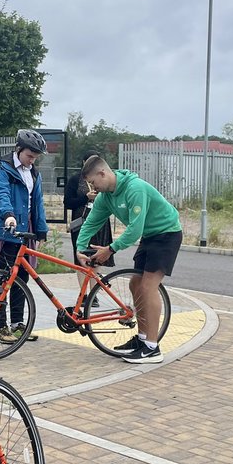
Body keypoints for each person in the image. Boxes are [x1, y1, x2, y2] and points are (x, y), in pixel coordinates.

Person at [75, 155, 182, 364]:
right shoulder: (106, 197)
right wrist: (80, 248)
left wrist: (111, 249)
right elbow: (91, 223)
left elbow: (134, 229)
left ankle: (152, 348)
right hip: (150, 236)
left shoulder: (135, 188)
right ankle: (142, 339)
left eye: (93, 182)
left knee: (148, 286)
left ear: (102, 173)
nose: (93, 187)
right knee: (135, 283)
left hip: (167, 233)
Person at [0, 129, 50, 344]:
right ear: (18, 150)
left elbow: (37, 203)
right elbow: (0, 194)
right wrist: (8, 216)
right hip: (8, 229)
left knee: (22, 278)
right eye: (29, 156)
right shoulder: (3, 170)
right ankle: (0, 326)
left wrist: (41, 230)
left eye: (35, 157)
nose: (32, 161)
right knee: (4, 279)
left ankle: (18, 324)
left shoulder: (33, 173)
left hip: (26, 230)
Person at [63, 153, 114, 265]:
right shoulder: (75, 179)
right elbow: (68, 202)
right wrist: (86, 197)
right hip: (81, 220)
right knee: (82, 257)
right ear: (83, 163)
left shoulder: (104, 181)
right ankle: (83, 282)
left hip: (100, 221)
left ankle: (95, 281)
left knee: (97, 257)